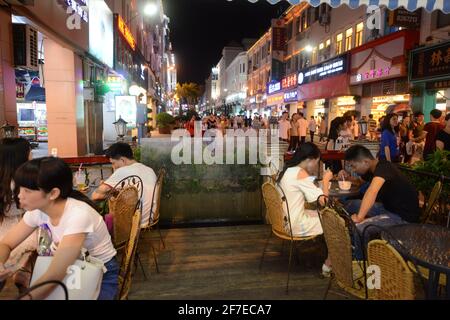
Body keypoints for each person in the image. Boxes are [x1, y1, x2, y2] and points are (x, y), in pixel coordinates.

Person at [0, 157, 118, 300]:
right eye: (19, 189)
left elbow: (55, 275)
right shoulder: (37, 211)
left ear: (53, 193)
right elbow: (6, 243)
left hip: (98, 273)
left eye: (27, 191)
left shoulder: (78, 215)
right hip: (71, 270)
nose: (19, 195)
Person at [342, 145, 420, 258]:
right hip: (388, 207)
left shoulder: (384, 168)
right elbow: (359, 182)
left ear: (365, 162)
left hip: (403, 217)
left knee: (360, 228)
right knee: (349, 204)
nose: (353, 170)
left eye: (353, 166)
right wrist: (347, 178)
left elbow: (372, 191)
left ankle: (361, 264)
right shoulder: (373, 168)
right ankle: (353, 242)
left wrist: (360, 217)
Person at [277, 142, 333, 275]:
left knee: (322, 215)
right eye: (317, 162)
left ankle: (324, 255)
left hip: (285, 219)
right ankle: (329, 264)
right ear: (309, 160)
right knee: (334, 222)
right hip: (295, 223)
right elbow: (324, 201)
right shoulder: (300, 174)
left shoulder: (289, 169)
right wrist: (326, 180)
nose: (316, 166)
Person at [0, 138, 37, 293]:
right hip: (21, 228)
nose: (32, 154)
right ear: (21, 156)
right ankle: (24, 276)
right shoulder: (23, 182)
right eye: (29, 151)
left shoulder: (4, 179)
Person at [92, 143, 157, 228]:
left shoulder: (123, 171)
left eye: (113, 163)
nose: (113, 167)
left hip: (135, 222)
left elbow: (95, 196)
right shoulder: (149, 169)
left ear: (123, 160)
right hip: (150, 218)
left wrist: (108, 189)